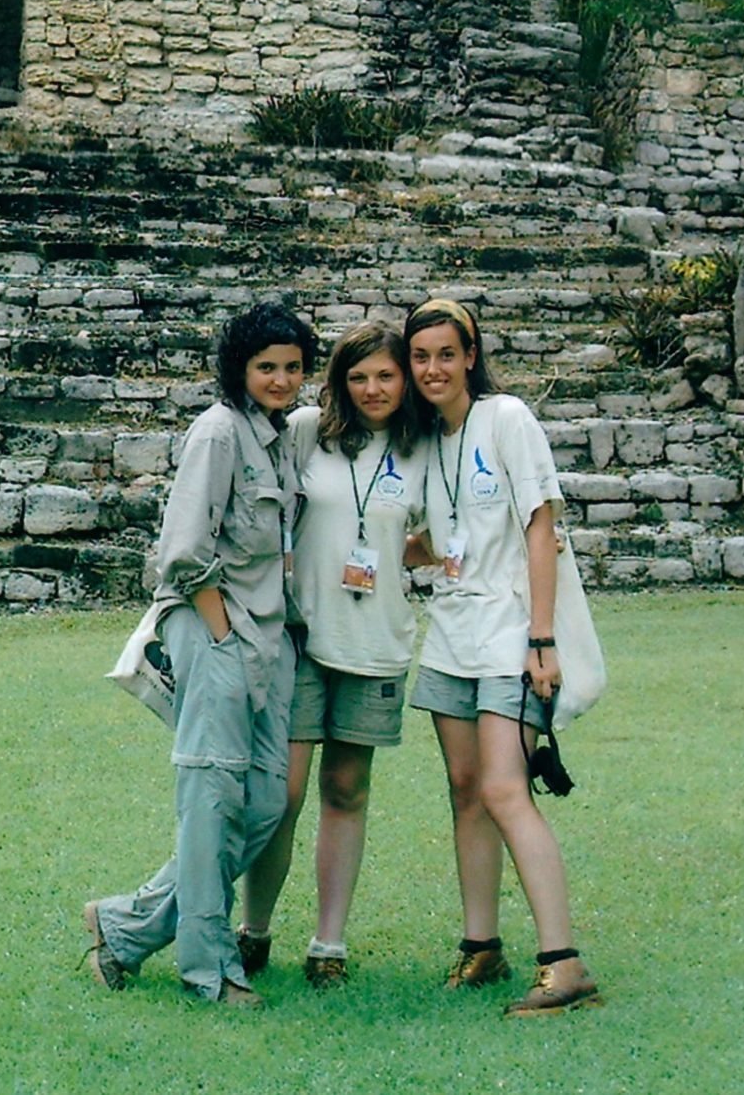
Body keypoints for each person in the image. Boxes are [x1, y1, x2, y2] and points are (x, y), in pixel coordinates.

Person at [82, 300, 316, 1009]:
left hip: (270, 641)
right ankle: (208, 970)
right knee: (212, 801)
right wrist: (221, 638)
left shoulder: (277, 438)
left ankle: (126, 925)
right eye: (266, 366)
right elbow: (182, 552)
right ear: (239, 368)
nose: (281, 379)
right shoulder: (217, 433)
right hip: (218, 633)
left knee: (268, 801)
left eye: (293, 367)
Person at [403, 297, 600, 1017]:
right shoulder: (425, 440)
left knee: (505, 789)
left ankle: (565, 963)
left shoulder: (507, 418)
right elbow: (434, 539)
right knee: (464, 788)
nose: (433, 369)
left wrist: (541, 639)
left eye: (446, 354)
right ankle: (480, 945)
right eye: (420, 356)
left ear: (471, 355)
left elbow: (540, 525)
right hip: (451, 632)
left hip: (511, 632)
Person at [236, 320, 429, 988]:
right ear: (339, 382)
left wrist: (397, 556)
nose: (373, 388)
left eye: (385, 375)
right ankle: (253, 929)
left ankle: (328, 945)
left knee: (347, 790)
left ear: (404, 380)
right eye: (358, 375)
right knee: (279, 794)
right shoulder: (307, 431)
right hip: (302, 637)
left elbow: (437, 535)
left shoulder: (423, 448)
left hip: (376, 644)